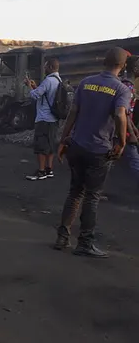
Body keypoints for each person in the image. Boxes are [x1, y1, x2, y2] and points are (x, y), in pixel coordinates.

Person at [54, 47, 132, 258]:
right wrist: (122, 141)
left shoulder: (86, 82)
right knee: (92, 196)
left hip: (77, 146)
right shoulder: (121, 89)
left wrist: (63, 140)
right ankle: (85, 243)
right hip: (99, 151)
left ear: (103, 62)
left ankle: (62, 237)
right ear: (123, 66)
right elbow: (120, 114)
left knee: (75, 192)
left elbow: (73, 112)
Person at [24, 58, 62, 181]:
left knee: (41, 146)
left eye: (45, 67)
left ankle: (41, 171)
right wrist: (36, 86)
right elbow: (45, 94)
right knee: (51, 145)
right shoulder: (58, 80)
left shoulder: (48, 80)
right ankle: (49, 169)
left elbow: (35, 95)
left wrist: (30, 86)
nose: (44, 69)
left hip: (44, 118)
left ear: (50, 67)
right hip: (54, 119)